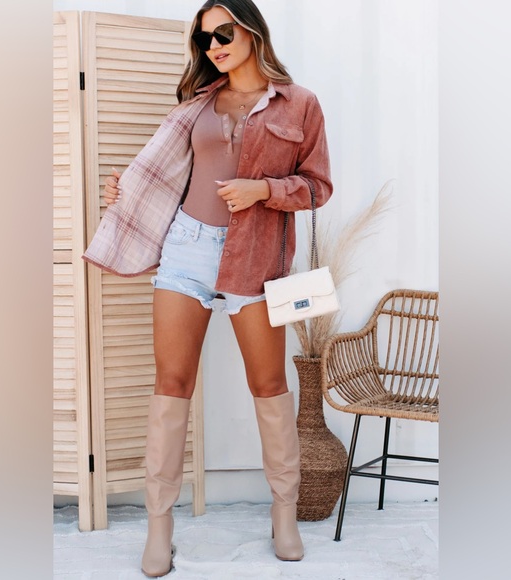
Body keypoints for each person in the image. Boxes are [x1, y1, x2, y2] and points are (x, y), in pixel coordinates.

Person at [83, 0, 333, 576]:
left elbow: (318, 187)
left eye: (223, 34)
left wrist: (263, 190)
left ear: (251, 31)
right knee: (171, 384)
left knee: (268, 384)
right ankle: (159, 528)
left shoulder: (300, 102)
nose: (213, 46)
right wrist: (125, 192)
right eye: (204, 39)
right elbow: (166, 175)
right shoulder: (195, 104)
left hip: (256, 256)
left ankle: (284, 514)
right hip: (187, 248)